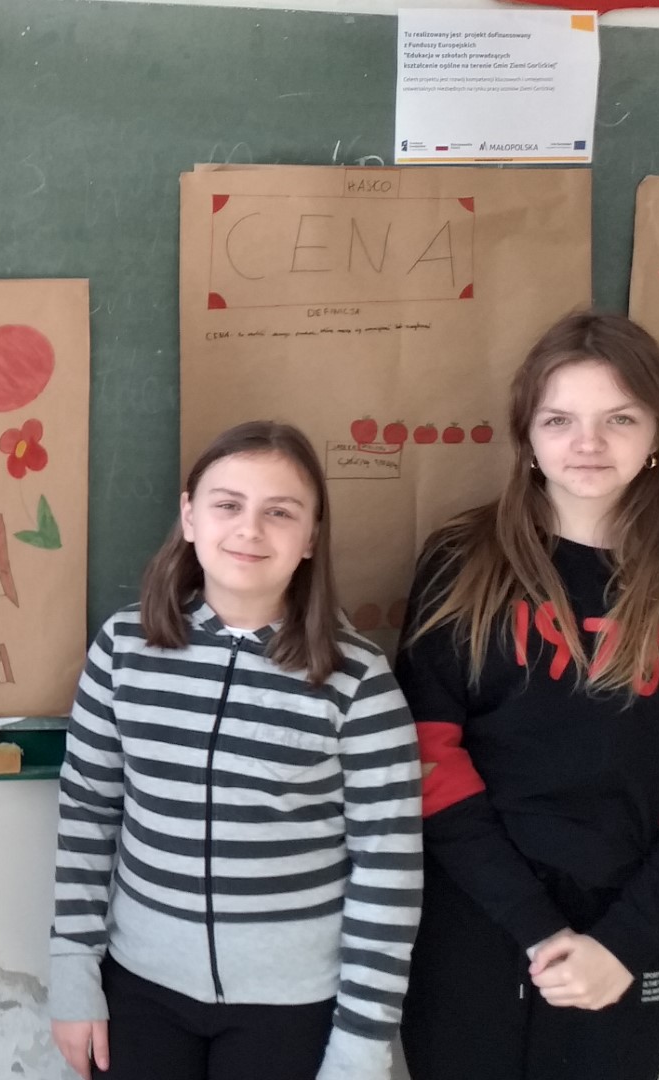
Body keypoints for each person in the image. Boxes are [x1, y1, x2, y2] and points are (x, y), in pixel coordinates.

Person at [397, 312, 659, 1080]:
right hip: (473, 926)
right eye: (559, 419)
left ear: (658, 430)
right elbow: (426, 764)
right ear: (526, 435)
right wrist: (535, 927)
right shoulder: (460, 559)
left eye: (619, 419)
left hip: (627, 938)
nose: (587, 443)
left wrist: (623, 944)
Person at [48, 420, 422, 1080]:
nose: (250, 530)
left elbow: (388, 871)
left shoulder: (357, 680)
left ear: (311, 537)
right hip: (139, 990)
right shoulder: (124, 648)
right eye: (228, 504)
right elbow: (87, 815)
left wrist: (362, 1047)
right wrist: (73, 971)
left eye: (280, 512)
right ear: (190, 517)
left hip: (293, 1007)